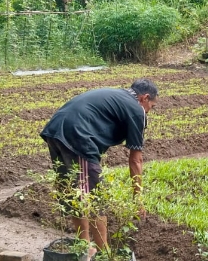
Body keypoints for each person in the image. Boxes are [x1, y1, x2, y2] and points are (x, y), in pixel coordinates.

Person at [40, 78, 158, 251]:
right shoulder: (136, 110)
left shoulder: (118, 97)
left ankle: (85, 247)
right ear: (144, 98)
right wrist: (137, 198)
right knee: (94, 198)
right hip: (77, 135)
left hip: (55, 130)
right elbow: (136, 159)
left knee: (76, 194)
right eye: (151, 107)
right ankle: (104, 255)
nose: (149, 112)